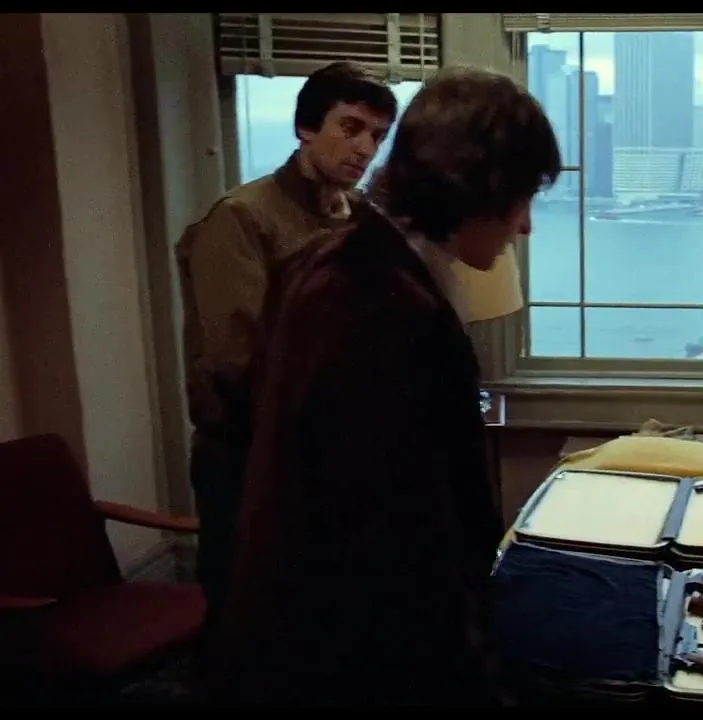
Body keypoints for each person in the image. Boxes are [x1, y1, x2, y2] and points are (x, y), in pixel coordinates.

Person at [213, 66, 562, 704]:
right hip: (349, 654)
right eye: (523, 198)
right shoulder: (379, 308)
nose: (525, 227)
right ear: (478, 186)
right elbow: (396, 543)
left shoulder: (342, 261)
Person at [174, 61, 398, 632]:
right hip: (249, 456)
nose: (365, 148)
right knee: (249, 620)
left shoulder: (362, 218)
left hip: (331, 453)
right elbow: (238, 359)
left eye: (377, 136)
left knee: (328, 621)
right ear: (305, 126)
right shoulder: (243, 217)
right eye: (350, 127)